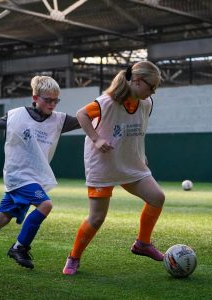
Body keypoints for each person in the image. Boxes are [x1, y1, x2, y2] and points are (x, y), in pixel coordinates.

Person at [0, 75, 80, 270]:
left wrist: (106, 107)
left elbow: (85, 119)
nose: (52, 104)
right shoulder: (16, 115)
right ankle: (19, 247)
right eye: (47, 100)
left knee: (2, 218)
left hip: (32, 177)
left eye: (55, 100)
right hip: (18, 175)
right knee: (45, 205)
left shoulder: (60, 120)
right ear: (35, 97)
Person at [62, 61, 165, 276]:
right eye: (151, 86)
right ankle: (74, 257)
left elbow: (135, 130)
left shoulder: (147, 103)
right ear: (136, 81)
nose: (153, 91)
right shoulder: (107, 102)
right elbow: (81, 114)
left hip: (131, 164)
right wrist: (97, 139)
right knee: (97, 218)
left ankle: (142, 244)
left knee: (157, 197)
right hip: (103, 164)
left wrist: (141, 154)